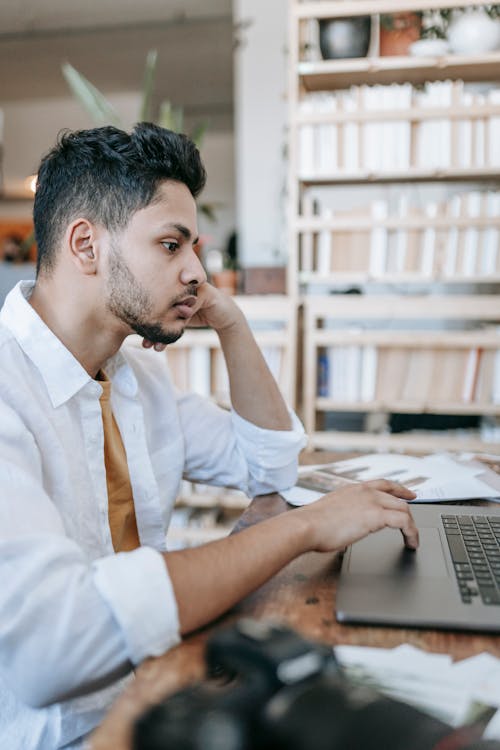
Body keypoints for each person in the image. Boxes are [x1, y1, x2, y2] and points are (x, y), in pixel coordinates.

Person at [0, 123, 418, 749]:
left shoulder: (136, 373)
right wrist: (300, 528)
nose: (197, 271)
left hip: (168, 689)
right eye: (171, 246)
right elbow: (51, 651)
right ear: (85, 244)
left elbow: (270, 467)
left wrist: (231, 323)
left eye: (194, 247)